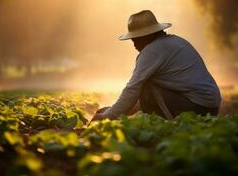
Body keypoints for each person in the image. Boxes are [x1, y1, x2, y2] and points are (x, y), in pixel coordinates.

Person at [93, 10, 221, 121]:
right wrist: (113, 109)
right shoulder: (175, 41)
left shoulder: (152, 51)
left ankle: (172, 122)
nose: (135, 45)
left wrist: (108, 115)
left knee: (145, 84)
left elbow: (133, 89)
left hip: (199, 107)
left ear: (146, 35)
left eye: (136, 39)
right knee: (147, 84)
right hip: (210, 106)